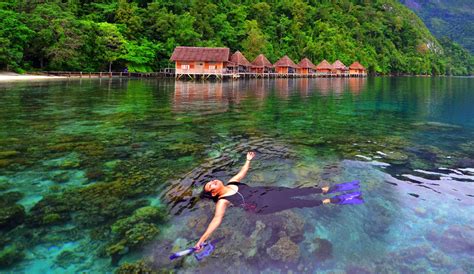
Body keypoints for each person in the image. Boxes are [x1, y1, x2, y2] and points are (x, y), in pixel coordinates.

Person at [194, 152, 362, 251]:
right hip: (262, 206)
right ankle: (329, 200)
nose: (214, 181)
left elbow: (242, 173)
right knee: (294, 202)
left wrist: (248, 160)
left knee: (294, 191)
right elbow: (217, 220)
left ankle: (325, 189)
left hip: (264, 191)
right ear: (214, 192)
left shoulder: (231, 182)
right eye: (211, 185)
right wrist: (202, 239)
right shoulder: (222, 201)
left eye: (212, 180)